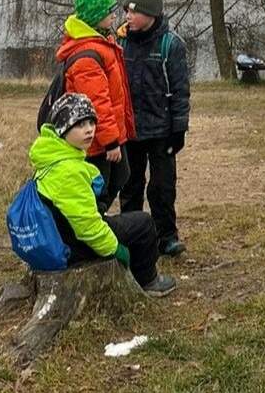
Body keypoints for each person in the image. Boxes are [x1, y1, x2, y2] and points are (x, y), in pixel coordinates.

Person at [32, 93, 175, 296]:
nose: (89, 129)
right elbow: (87, 227)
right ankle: (148, 281)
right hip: (72, 244)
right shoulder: (68, 171)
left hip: (58, 233)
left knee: (116, 219)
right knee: (143, 224)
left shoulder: (52, 155)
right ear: (63, 130)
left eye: (91, 122)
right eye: (80, 124)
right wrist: (116, 249)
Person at [118, 0, 191, 258]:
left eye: (134, 11)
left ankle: (166, 236)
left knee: (162, 187)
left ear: (151, 15)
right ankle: (132, 236)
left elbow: (180, 90)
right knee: (130, 186)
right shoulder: (120, 43)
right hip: (131, 130)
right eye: (127, 10)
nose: (128, 16)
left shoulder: (171, 45)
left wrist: (179, 128)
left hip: (161, 131)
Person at [57, 0, 135, 212]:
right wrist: (110, 141)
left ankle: (93, 228)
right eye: (107, 10)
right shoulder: (87, 56)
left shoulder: (101, 41)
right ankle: (88, 232)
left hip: (105, 134)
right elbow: (96, 102)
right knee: (100, 189)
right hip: (95, 140)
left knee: (119, 176)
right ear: (95, 16)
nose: (113, 14)